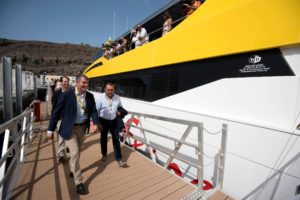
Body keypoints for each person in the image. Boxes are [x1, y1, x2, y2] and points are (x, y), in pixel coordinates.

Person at [47, 74, 102, 195]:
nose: (86, 85)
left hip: (83, 128)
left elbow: (93, 110)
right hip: (70, 128)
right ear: (77, 83)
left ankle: (73, 168)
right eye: (83, 83)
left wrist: (95, 123)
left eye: (87, 83)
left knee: (77, 152)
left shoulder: (90, 96)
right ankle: (79, 182)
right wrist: (50, 129)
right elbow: (56, 112)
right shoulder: (66, 95)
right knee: (75, 152)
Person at [96, 82, 127, 167]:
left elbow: (120, 107)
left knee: (116, 140)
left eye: (112, 90)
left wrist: (119, 112)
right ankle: (104, 154)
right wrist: (97, 123)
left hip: (113, 120)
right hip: (103, 120)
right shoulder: (100, 98)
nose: (110, 91)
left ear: (114, 90)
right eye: (108, 90)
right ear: (105, 89)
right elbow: (96, 111)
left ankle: (119, 159)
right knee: (103, 139)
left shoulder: (117, 97)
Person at [50, 76, 70, 162]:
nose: (66, 83)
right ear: (61, 83)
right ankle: (61, 154)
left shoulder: (71, 93)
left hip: (69, 117)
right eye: (64, 82)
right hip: (60, 118)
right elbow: (54, 107)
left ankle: (67, 146)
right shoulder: (57, 93)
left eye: (67, 82)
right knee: (62, 136)